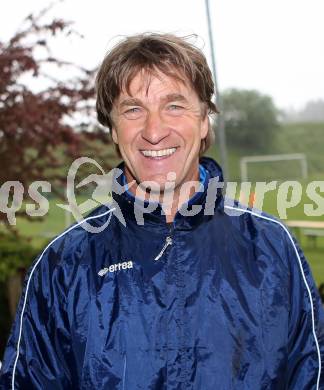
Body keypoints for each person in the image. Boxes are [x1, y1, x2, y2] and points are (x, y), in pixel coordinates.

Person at [1, 33, 323, 389]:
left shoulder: (272, 247)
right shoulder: (63, 263)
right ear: (113, 130)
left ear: (204, 122)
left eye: (174, 106)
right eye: (133, 109)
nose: (154, 131)